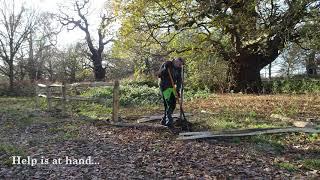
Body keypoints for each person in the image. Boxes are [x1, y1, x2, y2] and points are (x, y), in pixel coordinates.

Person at [158, 57, 184, 127]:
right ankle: (169, 122)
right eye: (178, 64)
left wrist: (177, 90)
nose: (179, 66)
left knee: (172, 104)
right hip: (164, 86)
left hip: (172, 87)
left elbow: (179, 80)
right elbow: (159, 75)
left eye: (180, 65)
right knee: (169, 104)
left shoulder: (179, 69)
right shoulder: (167, 64)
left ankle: (164, 120)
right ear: (175, 61)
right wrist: (165, 68)